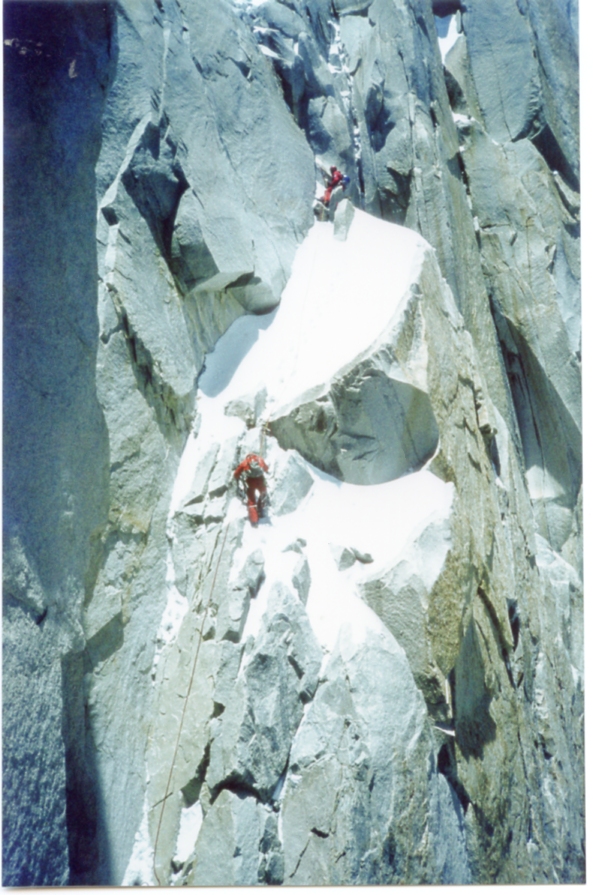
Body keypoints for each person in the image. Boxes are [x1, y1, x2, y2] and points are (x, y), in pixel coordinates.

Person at [233, 453, 269, 525]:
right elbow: (266, 468)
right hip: (261, 481)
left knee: (251, 500)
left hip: (250, 482)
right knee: (262, 496)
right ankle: (261, 510)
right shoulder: (260, 460)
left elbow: (236, 473)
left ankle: (254, 520)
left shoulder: (245, 462)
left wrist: (236, 477)